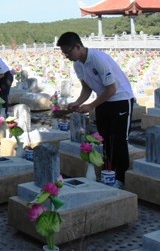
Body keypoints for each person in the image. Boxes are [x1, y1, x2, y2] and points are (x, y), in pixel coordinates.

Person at [56, 31, 134, 188]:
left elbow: (112, 88)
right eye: (64, 53)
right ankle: (108, 173)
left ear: (78, 46)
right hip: (103, 99)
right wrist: (77, 103)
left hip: (120, 99)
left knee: (119, 140)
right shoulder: (78, 64)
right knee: (105, 139)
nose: (66, 56)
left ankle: (121, 178)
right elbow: (87, 88)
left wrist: (91, 105)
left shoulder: (97, 59)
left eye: (68, 52)